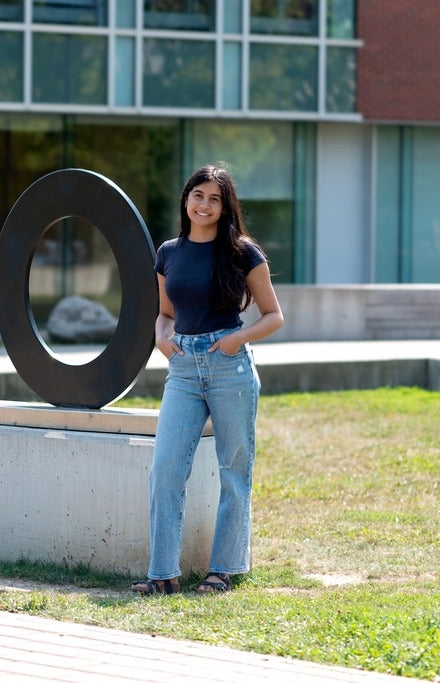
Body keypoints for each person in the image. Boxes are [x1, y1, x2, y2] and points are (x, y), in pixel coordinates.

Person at [131, 164, 284, 596]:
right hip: (182, 369)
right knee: (165, 469)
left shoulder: (241, 252)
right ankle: (162, 573)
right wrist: (162, 337)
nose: (204, 205)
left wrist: (236, 339)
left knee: (234, 469)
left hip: (227, 366)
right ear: (186, 200)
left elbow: (274, 315)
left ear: (224, 207)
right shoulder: (168, 252)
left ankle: (224, 569)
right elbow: (165, 312)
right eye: (198, 195)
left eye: (214, 199)